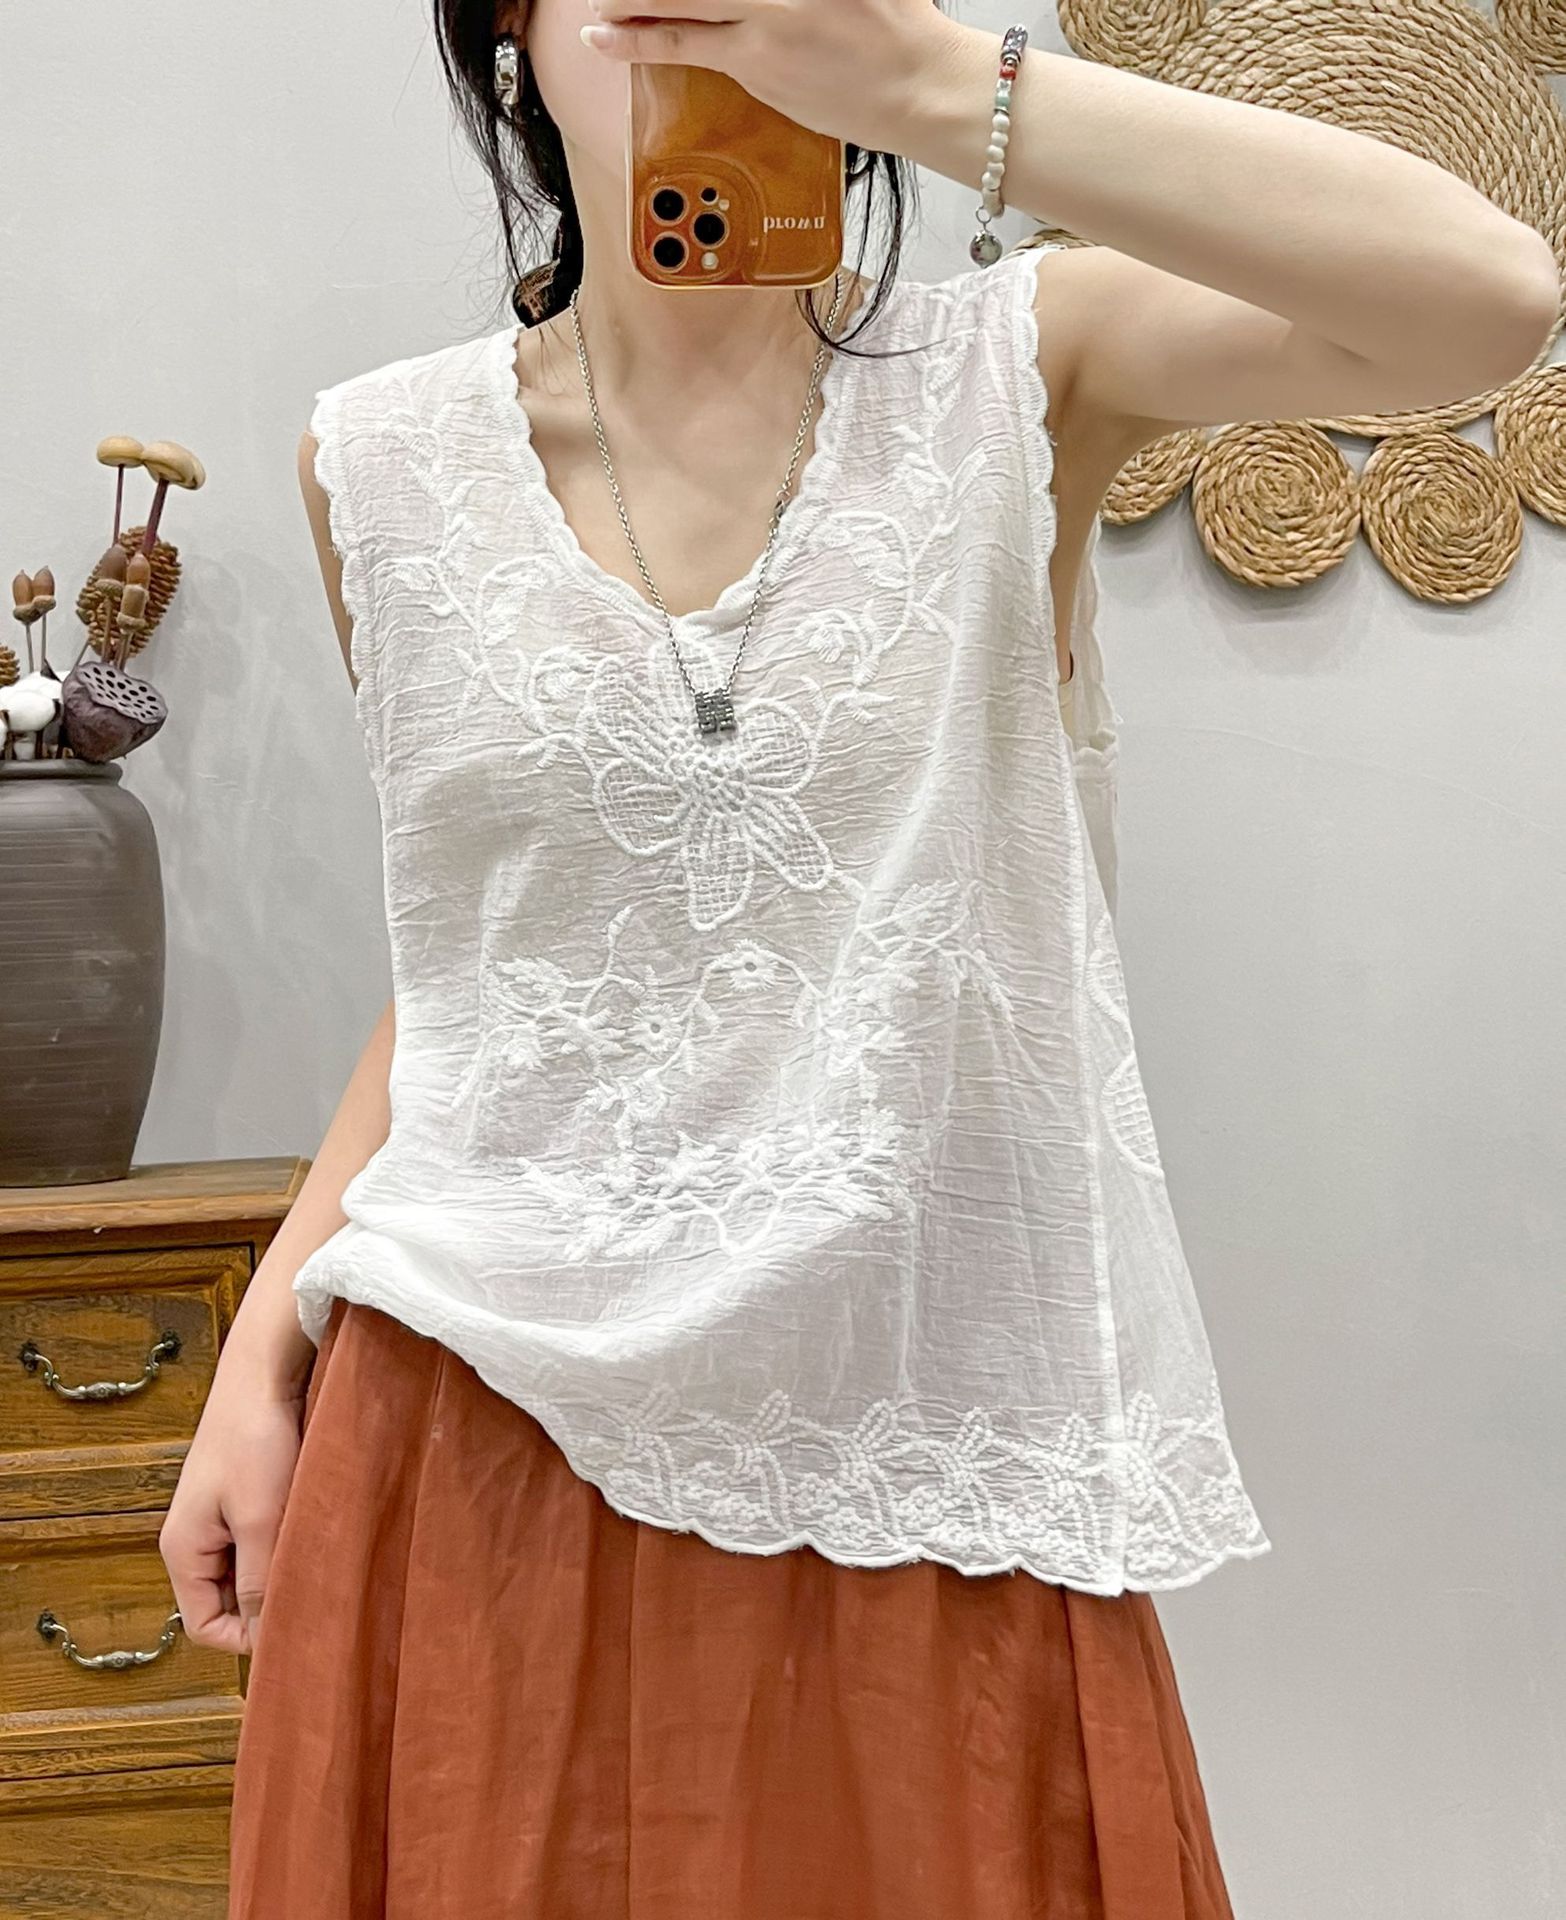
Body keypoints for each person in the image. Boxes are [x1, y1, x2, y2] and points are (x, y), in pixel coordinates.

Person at [161, 4, 1556, 1916]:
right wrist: (267, 1340)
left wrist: (929, 86)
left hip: (925, 1453)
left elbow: (1483, 302)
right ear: (508, 41)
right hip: (478, 1440)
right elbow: (497, 970)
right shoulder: (379, 464)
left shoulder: (1026, 366)